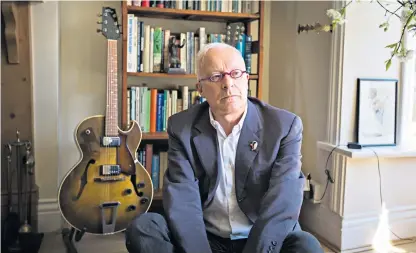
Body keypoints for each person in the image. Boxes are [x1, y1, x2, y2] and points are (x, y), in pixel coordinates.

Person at [125, 42, 324, 253]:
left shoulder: (284, 126)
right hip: (207, 236)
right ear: (200, 88)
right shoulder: (182, 127)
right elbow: (183, 198)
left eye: (236, 73)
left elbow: (282, 203)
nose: (228, 84)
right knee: (143, 228)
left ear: (247, 79)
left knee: (306, 246)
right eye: (216, 77)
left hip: (258, 235)